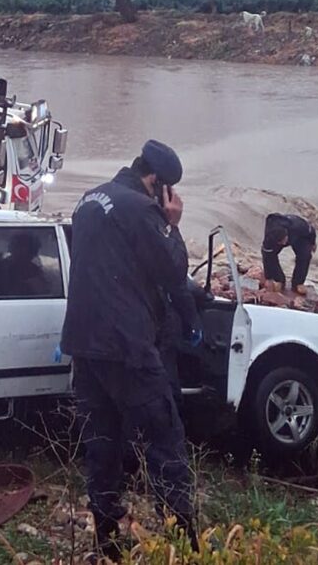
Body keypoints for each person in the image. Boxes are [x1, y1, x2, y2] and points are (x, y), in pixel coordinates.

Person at [61, 140, 202, 561]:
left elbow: (102, 265)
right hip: (127, 346)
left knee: (102, 444)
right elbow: (174, 269)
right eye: (167, 192)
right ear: (157, 183)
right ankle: (185, 544)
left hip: (84, 346)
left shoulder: (90, 200)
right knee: (165, 439)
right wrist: (173, 223)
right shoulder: (141, 210)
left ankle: (106, 541)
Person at [261, 213, 316, 295]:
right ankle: (279, 280)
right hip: (276, 240)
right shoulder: (270, 239)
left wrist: (313, 243)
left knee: (305, 255)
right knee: (270, 256)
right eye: (281, 242)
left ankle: (298, 282)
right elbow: (266, 257)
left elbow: (311, 231)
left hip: (298, 237)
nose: (283, 243)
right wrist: (269, 278)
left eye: (284, 240)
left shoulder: (297, 225)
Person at [0, 232, 48, 296]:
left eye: (33, 251)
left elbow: (42, 292)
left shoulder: (33, 270)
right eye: (30, 250)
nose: (33, 255)